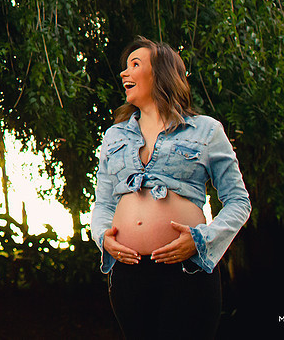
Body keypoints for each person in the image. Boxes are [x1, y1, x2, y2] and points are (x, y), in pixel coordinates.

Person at [90, 36, 251, 340]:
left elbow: (238, 201)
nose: (124, 73)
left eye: (135, 65)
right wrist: (103, 239)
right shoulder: (114, 136)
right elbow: (103, 204)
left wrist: (202, 241)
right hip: (128, 274)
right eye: (125, 67)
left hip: (186, 272)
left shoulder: (206, 130)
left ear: (161, 72)